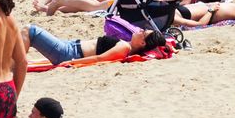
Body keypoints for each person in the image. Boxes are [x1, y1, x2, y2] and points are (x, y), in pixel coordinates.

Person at [23, 24, 164, 67]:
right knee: (25, 33)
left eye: (143, 32)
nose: (139, 30)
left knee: (31, 31)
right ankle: (8, 61)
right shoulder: (126, 44)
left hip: (68, 53)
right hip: (70, 46)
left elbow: (99, 59)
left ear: (142, 42)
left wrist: (71, 62)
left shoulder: (125, 48)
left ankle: (11, 63)